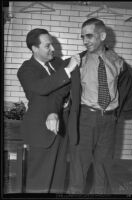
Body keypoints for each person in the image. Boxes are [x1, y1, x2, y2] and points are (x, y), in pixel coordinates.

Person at [66, 18, 132, 194]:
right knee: (79, 170)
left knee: (103, 169)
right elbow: (59, 84)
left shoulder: (117, 61)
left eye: (89, 36)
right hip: (85, 119)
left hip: (109, 121)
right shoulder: (78, 61)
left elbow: (130, 85)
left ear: (102, 35)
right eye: (82, 37)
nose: (85, 41)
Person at [17, 28, 80, 193]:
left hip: (61, 126)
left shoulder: (56, 63)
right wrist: (67, 71)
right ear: (34, 48)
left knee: (58, 178)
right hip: (40, 130)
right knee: (39, 181)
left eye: (52, 44)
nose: (53, 49)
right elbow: (43, 88)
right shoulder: (26, 70)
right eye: (48, 46)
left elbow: (62, 88)